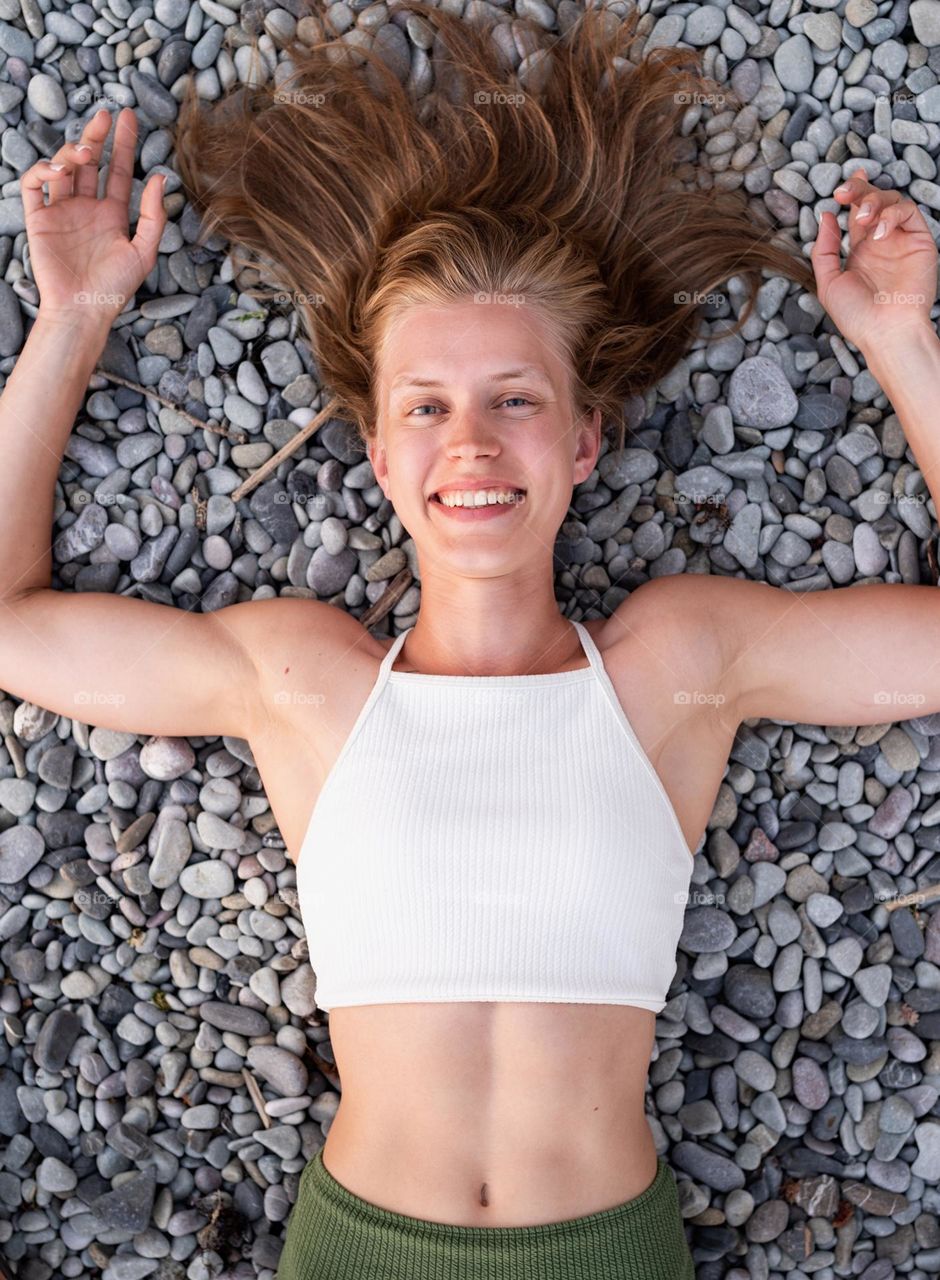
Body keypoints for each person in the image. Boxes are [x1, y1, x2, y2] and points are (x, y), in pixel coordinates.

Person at [6, 0, 940, 1276]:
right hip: (362, 1249)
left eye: (515, 399)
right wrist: (71, 321)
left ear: (583, 438)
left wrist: (900, 339)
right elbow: (11, 623)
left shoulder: (678, 666)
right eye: (428, 406)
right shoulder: (300, 682)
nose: (472, 443)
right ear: (381, 453)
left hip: (603, 1251)